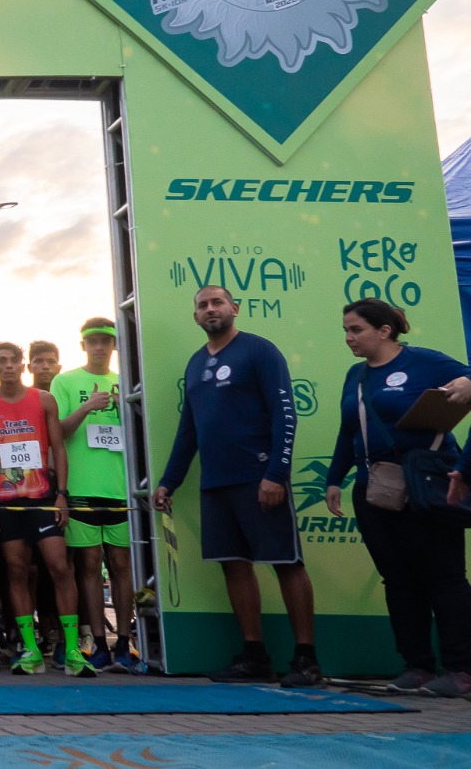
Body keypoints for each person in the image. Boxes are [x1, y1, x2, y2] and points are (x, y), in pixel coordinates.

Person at [155, 286, 321, 687]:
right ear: (195, 317)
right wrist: (168, 481)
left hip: (260, 478)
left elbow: (286, 415)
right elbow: (188, 430)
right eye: (202, 305)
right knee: (234, 565)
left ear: (235, 308)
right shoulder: (195, 364)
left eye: (217, 302)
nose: (210, 309)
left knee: (286, 563)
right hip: (215, 483)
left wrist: (276, 474)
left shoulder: (260, 351)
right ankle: (254, 656)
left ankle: (306, 659)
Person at [324, 298, 471, 697]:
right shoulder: (355, 376)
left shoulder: (425, 362)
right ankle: (417, 666)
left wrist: (467, 382)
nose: (348, 338)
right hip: (373, 489)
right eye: (345, 330)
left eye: (356, 330)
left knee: (445, 577)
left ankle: (461, 670)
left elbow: (468, 382)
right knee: (399, 579)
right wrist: (334, 479)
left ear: (384, 330)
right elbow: (346, 432)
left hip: (426, 484)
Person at [0, 342, 95, 678]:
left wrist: (61, 495)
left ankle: (72, 650)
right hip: (5, 501)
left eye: (14, 361)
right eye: (1, 362)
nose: (8, 366)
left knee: (59, 567)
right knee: (15, 571)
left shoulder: (43, 400)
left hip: (42, 497)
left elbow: (58, 446)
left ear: (22, 365)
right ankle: (30, 650)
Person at [52, 319, 141, 673]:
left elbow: (144, 431)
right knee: (88, 567)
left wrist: (125, 408)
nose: (100, 347)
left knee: (121, 567)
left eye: (106, 341)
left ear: (114, 345)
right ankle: (99, 645)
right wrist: (87, 408)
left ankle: (124, 642)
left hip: (120, 488)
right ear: (83, 345)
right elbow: (56, 431)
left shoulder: (127, 380)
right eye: (93, 342)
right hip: (81, 489)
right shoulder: (66, 381)